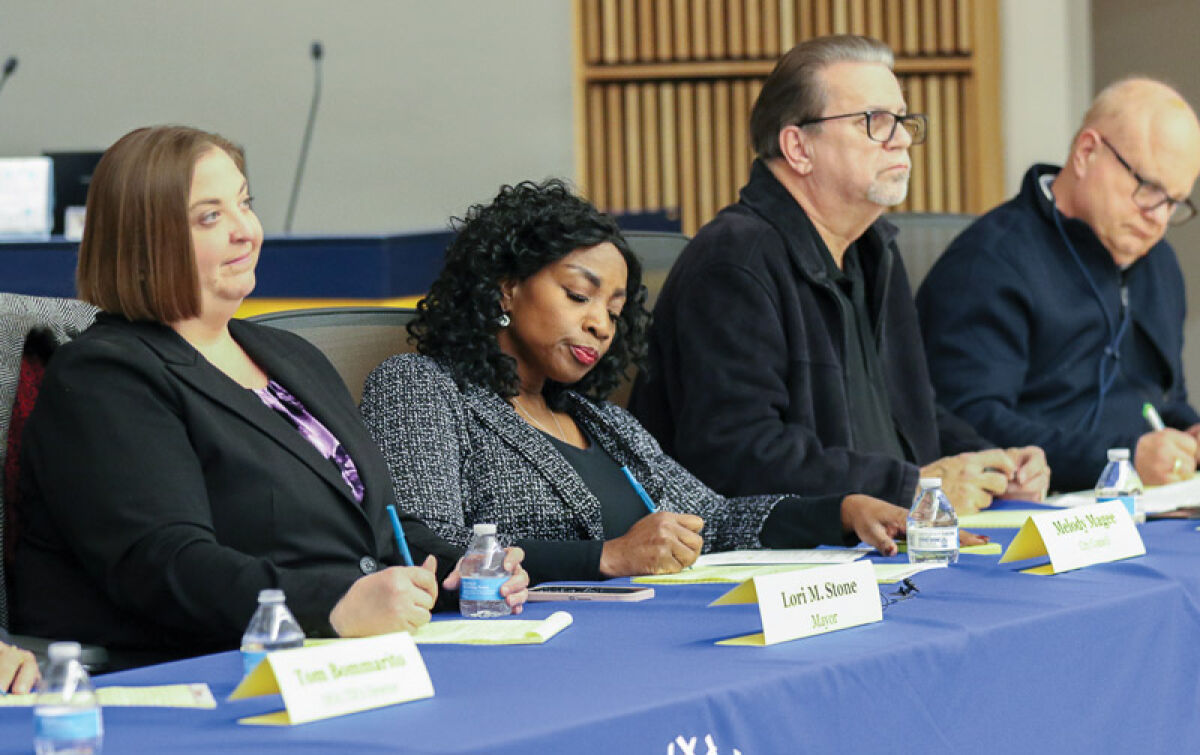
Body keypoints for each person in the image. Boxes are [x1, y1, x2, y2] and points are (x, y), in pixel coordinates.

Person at [11, 126, 528, 668]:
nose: (246, 231)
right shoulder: (107, 373)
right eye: (211, 216)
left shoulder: (290, 355)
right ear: (143, 242)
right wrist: (334, 606)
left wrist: (461, 571)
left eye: (245, 204)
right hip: (196, 671)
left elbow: (376, 530)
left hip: (342, 657)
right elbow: (164, 566)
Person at [360, 179, 971, 585]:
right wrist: (607, 556)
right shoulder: (421, 388)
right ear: (505, 286)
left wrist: (840, 510)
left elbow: (717, 520)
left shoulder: (601, 421)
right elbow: (422, 546)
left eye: (616, 310)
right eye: (578, 295)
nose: (599, 323)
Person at [628, 34, 1049, 514]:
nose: (903, 138)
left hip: (875, 547)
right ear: (798, 147)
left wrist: (990, 465)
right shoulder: (733, 262)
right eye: (876, 121)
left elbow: (912, 417)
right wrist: (909, 486)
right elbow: (736, 455)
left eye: (903, 120)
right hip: (776, 569)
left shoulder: (874, 251)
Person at [917, 78, 1200, 492]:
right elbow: (964, 421)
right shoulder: (990, 260)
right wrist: (1124, 458)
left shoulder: (1158, 264)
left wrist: (1189, 432)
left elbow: (1164, 400)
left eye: (1174, 202)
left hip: (1148, 504)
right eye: (1149, 189)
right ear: (1087, 153)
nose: (1158, 217)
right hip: (1039, 508)